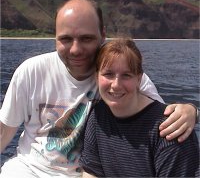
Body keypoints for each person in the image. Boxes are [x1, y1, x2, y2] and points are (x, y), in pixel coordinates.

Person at [0, 0, 198, 178]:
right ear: (55, 38)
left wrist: (191, 112)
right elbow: (3, 132)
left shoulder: (125, 79)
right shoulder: (31, 71)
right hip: (28, 170)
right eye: (66, 39)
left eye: (86, 38)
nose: (76, 49)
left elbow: (160, 119)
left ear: (103, 35)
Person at [80, 38, 199, 177]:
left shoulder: (170, 128)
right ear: (96, 77)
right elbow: (91, 171)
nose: (116, 85)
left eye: (126, 75)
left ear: (139, 79)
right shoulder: (98, 116)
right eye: (108, 74)